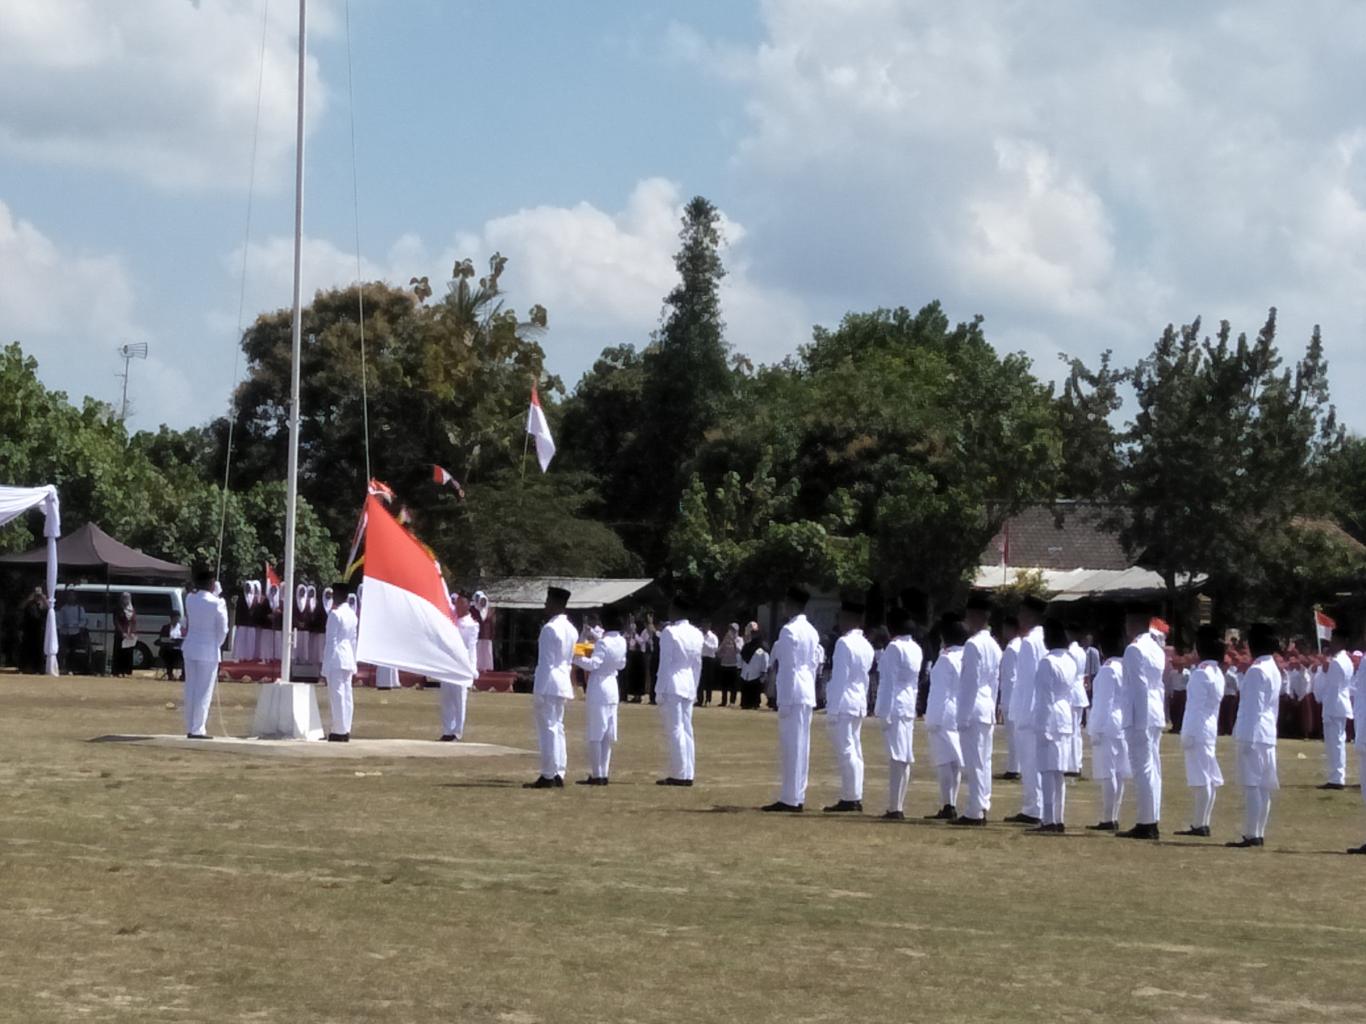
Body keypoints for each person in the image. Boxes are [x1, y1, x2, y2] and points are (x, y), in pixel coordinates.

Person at [761, 587, 822, 812]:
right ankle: (797, 794)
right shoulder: (812, 631)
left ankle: (789, 797)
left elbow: (786, 667)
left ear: (792, 604)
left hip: (793, 690)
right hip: (806, 690)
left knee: (791, 746)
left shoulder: (789, 631)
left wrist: (782, 698)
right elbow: (814, 664)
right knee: (801, 746)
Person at [1228, 622, 1282, 849]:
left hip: (1254, 733)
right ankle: (1257, 831)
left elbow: (1252, 708)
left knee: (1252, 785)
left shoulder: (1257, 670)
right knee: (1263, 786)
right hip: (1267, 733)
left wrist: (1246, 739)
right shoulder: (1272, 668)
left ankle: (1251, 834)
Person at [1117, 607, 1167, 840]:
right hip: (1154, 713)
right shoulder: (1156, 647)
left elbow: (1139, 689)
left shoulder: (1135, 649)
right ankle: (1151, 818)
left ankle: (1146, 822)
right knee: (1152, 768)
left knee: (1143, 768)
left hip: (1141, 715)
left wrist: (1139, 723)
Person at [952, 593, 1002, 826]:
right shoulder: (993, 644)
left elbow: (969, 683)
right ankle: (982, 804)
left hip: (973, 708)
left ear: (975, 616)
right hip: (986, 706)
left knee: (974, 762)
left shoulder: (973, 645)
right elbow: (994, 683)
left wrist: (962, 716)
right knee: (984, 760)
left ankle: (975, 810)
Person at [822, 600, 873, 813]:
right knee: (855, 750)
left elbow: (840, 677)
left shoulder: (844, 643)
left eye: (842, 617)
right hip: (858, 701)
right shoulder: (866, 645)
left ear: (850, 619)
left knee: (847, 751)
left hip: (843, 702)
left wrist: (831, 708)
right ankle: (854, 794)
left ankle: (850, 797)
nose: (839, 622)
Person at [876, 599, 925, 820]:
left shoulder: (894, 648)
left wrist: (883, 712)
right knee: (904, 756)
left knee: (897, 757)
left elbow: (887, 682)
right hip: (907, 705)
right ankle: (897, 804)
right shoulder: (916, 647)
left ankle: (895, 807)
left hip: (895, 705)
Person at [1176, 625, 1226, 838]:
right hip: (1209, 729)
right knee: (1207, 777)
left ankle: (1199, 824)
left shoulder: (1201, 674)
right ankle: (1201, 821)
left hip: (1197, 729)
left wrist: (1187, 733)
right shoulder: (1217, 673)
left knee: (1201, 779)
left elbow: (1194, 708)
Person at [1030, 618, 1079, 834]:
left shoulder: (1047, 662)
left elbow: (1044, 698)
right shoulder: (1070, 660)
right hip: (1065, 715)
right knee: (1058, 772)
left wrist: (1043, 727)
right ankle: (1057, 818)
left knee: (1048, 771)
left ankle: (1048, 819)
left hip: (1050, 716)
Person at [526, 586, 577, 788]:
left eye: (548, 602)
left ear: (556, 604)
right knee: (558, 727)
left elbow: (545, 662)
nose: (545, 606)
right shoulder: (571, 629)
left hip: (549, 682)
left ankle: (548, 774)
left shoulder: (550, 628)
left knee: (547, 728)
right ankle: (558, 771)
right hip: (563, 680)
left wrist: (538, 689)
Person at [1004, 595, 1048, 826]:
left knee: (1030, 762)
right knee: (1035, 762)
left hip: (1028, 710)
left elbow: (1027, 681)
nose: (1019, 617)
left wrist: (1021, 713)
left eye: (1022, 613)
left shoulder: (1030, 642)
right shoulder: (1043, 639)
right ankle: (1034, 805)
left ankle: (1033, 807)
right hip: (1037, 709)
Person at [573, 606, 628, 785]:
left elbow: (593, 664)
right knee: (607, 733)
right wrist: (590, 636)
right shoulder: (621, 641)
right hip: (613, 685)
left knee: (596, 733)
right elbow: (620, 664)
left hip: (599, 686)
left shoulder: (604, 643)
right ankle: (603, 772)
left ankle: (597, 774)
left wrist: (577, 658)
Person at [656, 595, 704, 787]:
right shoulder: (696, 633)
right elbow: (697, 665)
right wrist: (695, 687)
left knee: (675, 729)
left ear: (677, 610)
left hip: (673, 683)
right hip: (689, 683)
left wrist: (658, 689)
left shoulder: (670, 632)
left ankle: (678, 773)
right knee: (686, 729)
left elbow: (665, 663)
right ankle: (687, 772)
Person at [924, 613, 968, 821]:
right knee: (955, 762)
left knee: (944, 760)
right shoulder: (966, 657)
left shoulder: (945, 659)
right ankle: (951, 802)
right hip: (960, 711)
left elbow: (939, 692)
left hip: (944, 712)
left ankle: (947, 803)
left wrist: (932, 719)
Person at [1086, 636, 1130, 831]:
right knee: (1119, 772)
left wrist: (1094, 728)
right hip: (1123, 722)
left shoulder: (1107, 670)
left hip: (1108, 723)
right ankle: (1113, 815)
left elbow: (1103, 703)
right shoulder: (1127, 669)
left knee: (1108, 772)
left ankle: (1107, 818)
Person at [182, 569, 229, 739]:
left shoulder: (190, 598)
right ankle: (198, 728)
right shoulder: (217, 603)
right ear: (211, 583)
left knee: (191, 689)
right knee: (204, 691)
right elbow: (223, 629)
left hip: (190, 648)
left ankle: (190, 726)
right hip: (208, 649)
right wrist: (217, 644)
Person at [1313, 629, 1354, 790]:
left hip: (1335, 706)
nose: (1332, 644)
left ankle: (1337, 778)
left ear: (1342, 642)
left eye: (1335, 641)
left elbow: (1332, 688)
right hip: (1339, 705)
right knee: (1336, 742)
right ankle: (1336, 776)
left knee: (1335, 743)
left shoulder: (1337, 662)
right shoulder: (1345, 660)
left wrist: (1323, 672)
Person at [321, 581, 359, 742]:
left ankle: (339, 730)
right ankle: (345, 728)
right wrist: (354, 660)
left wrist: (325, 667)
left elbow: (331, 642)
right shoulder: (352, 614)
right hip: (348, 657)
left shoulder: (335, 614)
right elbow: (353, 640)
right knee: (347, 695)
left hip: (336, 658)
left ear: (338, 596)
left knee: (337, 695)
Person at [438, 592, 478, 742]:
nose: (458, 606)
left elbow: (472, 649)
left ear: (468, 605)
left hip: (461, 665)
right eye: (457, 603)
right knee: (446, 698)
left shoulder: (472, 625)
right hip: (448, 663)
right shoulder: (451, 618)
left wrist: (472, 669)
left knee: (459, 700)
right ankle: (447, 730)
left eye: (462, 603)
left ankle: (457, 732)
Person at [996, 615, 1022, 779]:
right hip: (1017, 695)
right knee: (1015, 734)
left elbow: (1010, 677)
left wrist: (1006, 701)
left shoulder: (1012, 648)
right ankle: (1016, 766)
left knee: (1013, 735)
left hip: (1011, 696)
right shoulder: (1021, 646)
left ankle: (1014, 768)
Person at [56, 588, 88, 674]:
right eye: (69, 596)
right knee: (63, 651)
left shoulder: (79, 608)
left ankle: (72, 668)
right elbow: (59, 621)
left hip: (75, 633)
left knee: (73, 652)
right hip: (65, 633)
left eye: (72, 596)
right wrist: (63, 626)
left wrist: (77, 626)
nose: (71, 597)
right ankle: (62, 667)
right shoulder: (63, 609)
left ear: (75, 597)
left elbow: (83, 621)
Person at [738, 624, 769, 710]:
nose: (754, 636)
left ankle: (755, 703)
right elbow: (741, 657)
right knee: (745, 690)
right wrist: (739, 669)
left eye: (755, 634)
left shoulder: (763, 647)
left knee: (755, 691)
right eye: (753, 634)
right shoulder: (746, 646)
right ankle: (745, 703)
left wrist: (764, 672)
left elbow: (765, 660)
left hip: (756, 674)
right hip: (745, 673)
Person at [111, 592, 138, 677]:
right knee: (119, 653)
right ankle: (118, 671)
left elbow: (134, 622)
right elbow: (116, 622)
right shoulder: (118, 609)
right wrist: (122, 632)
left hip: (130, 635)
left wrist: (133, 632)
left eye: (127, 598)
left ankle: (126, 671)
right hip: (120, 635)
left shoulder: (132, 609)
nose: (126, 599)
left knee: (128, 653)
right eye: (124, 597)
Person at [717, 623, 741, 707]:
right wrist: (724, 642)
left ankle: (732, 701)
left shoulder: (739, 640)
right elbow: (719, 651)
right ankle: (723, 701)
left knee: (733, 685)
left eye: (733, 629)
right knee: (724, 685)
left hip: (734, 665)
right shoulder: (725, 639)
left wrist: (733, 641)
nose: (731, 631)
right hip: (724, 664)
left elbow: (739, 650)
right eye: (730, 629)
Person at [157, 611, 186, 681]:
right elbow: (161, 639)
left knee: (185, 656)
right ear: (171, 618)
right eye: (175, 618)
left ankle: (183, 675)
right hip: (167, 649)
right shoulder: (165, 628)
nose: (176, 620)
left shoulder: (182, 629)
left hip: (179, 650)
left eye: (178, 618)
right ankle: (170, 674)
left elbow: (185, 639)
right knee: (168, 655)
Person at [700, 622, 720, 706]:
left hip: (710, 659)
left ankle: (708, 700)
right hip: (700, 659)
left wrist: (705, 643)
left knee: (709, 681)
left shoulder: (713, 637)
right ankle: (700, 699)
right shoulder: (699, 635)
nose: (704, 628)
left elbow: (715, 649)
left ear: (708, 626)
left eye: (705, 626)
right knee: (700, 680)